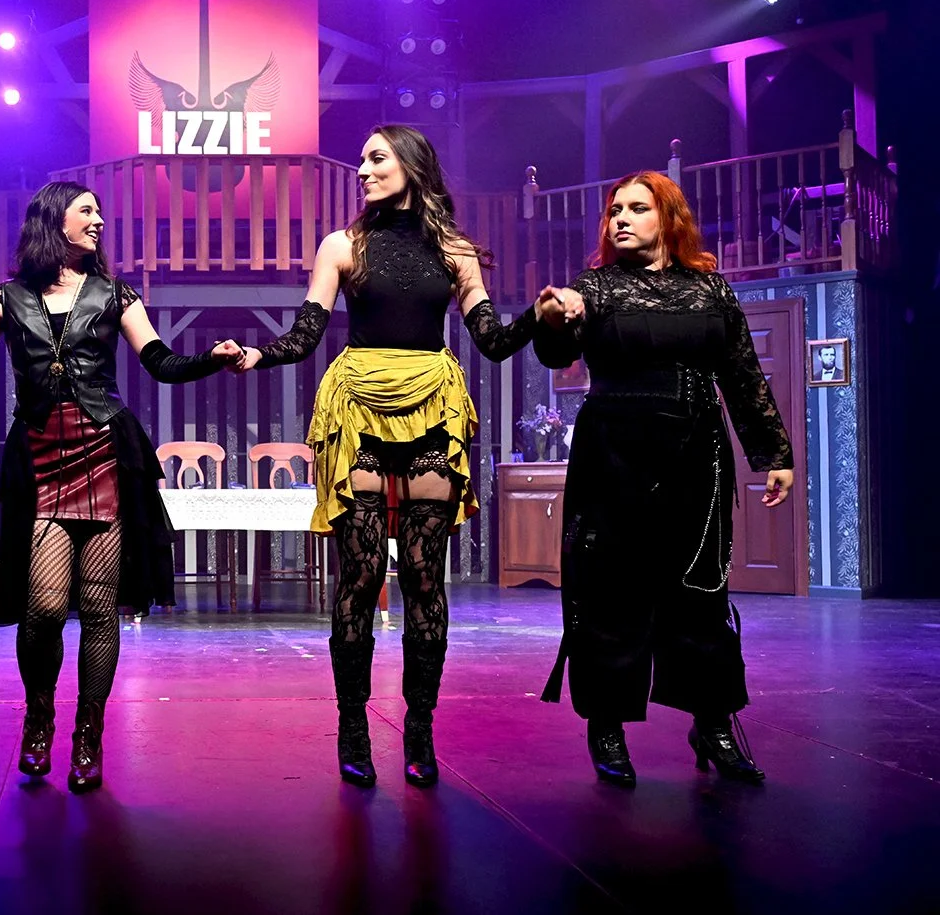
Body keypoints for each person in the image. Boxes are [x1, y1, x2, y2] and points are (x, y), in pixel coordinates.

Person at [0, 181, 242, 794]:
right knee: (47, 604)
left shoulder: (115, 295)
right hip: (42, 456)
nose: (101, 220)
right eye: (88, 211)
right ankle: (39, 716)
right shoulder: (5, 300)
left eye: (101, 212)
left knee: (101, 608)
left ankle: (88, 732)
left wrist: (210, 357)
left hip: (103, 449)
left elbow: (160, 362)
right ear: (56, 220)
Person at [232, 125, 546, 788]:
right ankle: (353, 727)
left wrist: (539, 319)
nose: (363, 169)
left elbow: (489, 340)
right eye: (362, 158)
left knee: (426, 580)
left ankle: (420, 729)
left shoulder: (455, 251)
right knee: (362, 573)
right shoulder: (342, 245)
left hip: (432, 399)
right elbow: (306, 333)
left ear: (410, 163)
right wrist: (261, 353)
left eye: (375, 157)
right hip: (359, 406)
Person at [534, 170, 793, 788]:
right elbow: (555, 353)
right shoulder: (592, 288)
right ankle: (607, 726)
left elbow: (743, 374)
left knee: (699, 592)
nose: (621, 218)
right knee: (610, 592)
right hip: (613, 453)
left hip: (693, 452)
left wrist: (771, 452)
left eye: (636, 208)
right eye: (614, 210)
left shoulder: (710, 289)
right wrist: (551, 318)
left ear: (667, 218)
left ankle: (714, 722)